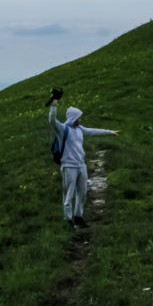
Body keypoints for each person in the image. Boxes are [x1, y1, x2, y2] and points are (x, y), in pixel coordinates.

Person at [48, 96, 118, 227]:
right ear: (73, 118)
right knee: (69, 194)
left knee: (82, 192)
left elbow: (92, 131)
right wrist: (54, 104)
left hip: (81, 165)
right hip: (69, 166)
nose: (80, 120)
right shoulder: (63, 129)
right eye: (78, 117)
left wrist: (110, 132)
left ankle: (78, 217)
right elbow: (52, 120)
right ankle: (68, 220)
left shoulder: (79, 129)